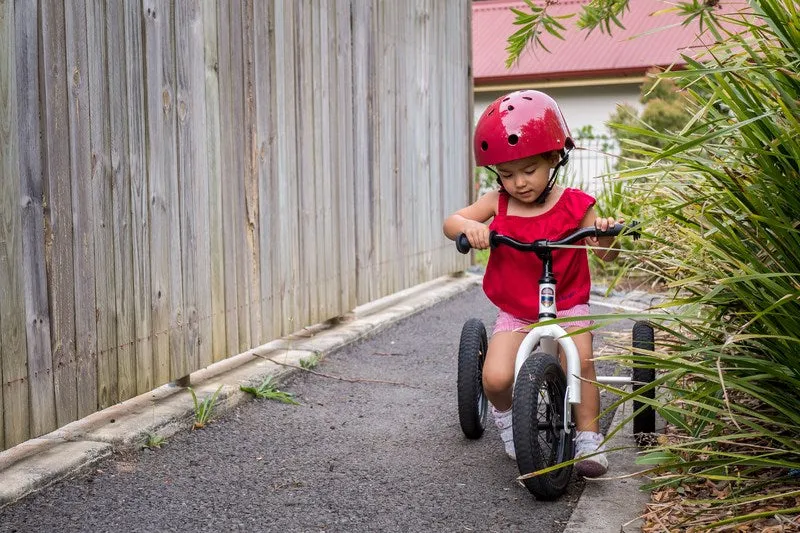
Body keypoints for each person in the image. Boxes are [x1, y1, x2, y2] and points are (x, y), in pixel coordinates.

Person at [443, 89, 621, 478]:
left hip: (569, 302)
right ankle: (507, 422)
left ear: (554, 159)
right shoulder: (497, 202)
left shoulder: (578, 205)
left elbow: (606, 255)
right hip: (518, 308)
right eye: (507, 174)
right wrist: (472, 227)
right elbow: (451, 222)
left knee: (581, 359)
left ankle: (589, 438)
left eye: (528, 170)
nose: (518, 183)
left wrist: (604, 234)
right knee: (495, 377)